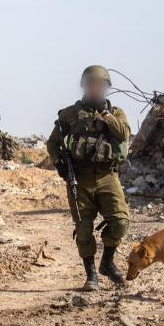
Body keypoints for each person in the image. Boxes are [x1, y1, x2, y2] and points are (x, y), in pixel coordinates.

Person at [46, 65, 130, 291]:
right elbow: (53, 143)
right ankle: (91, 275)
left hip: (107, 176)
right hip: (80, 178)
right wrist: (59, 163)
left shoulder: (116, 113)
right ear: (84, 86)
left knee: (120, 222)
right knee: (83, 228)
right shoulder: (70, 114)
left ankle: (107, 262)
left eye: (100, 85)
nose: (96, 88)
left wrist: (106, 116)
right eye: (92, 84)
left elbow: (124, 133)